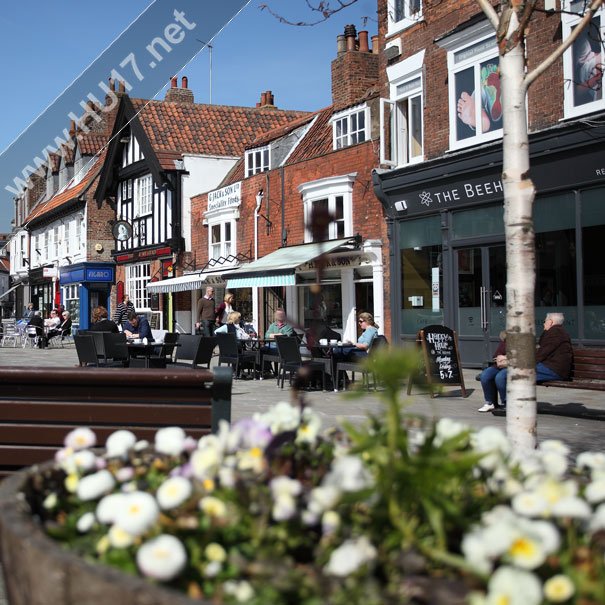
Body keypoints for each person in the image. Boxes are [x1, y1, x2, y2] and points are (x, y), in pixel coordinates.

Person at [492, 313, 573, 410]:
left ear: (550, 322)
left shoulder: (555, 334)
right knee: (504, 374)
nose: (543, 324)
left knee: (504, 375)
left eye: (545, 321)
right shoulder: (557, 333)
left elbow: (539, 356)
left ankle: (509, 404)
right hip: (551, 367)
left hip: (553, 370)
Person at [477, 331, 507, 413]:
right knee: (485, 375)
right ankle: (490, 402)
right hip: (499, 365)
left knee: (500, 377)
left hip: (511, 366)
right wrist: (499, 358)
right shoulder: (505, 338)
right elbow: (496, 355)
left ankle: (506, 402)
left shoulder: (523, 339)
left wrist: (505, 357)